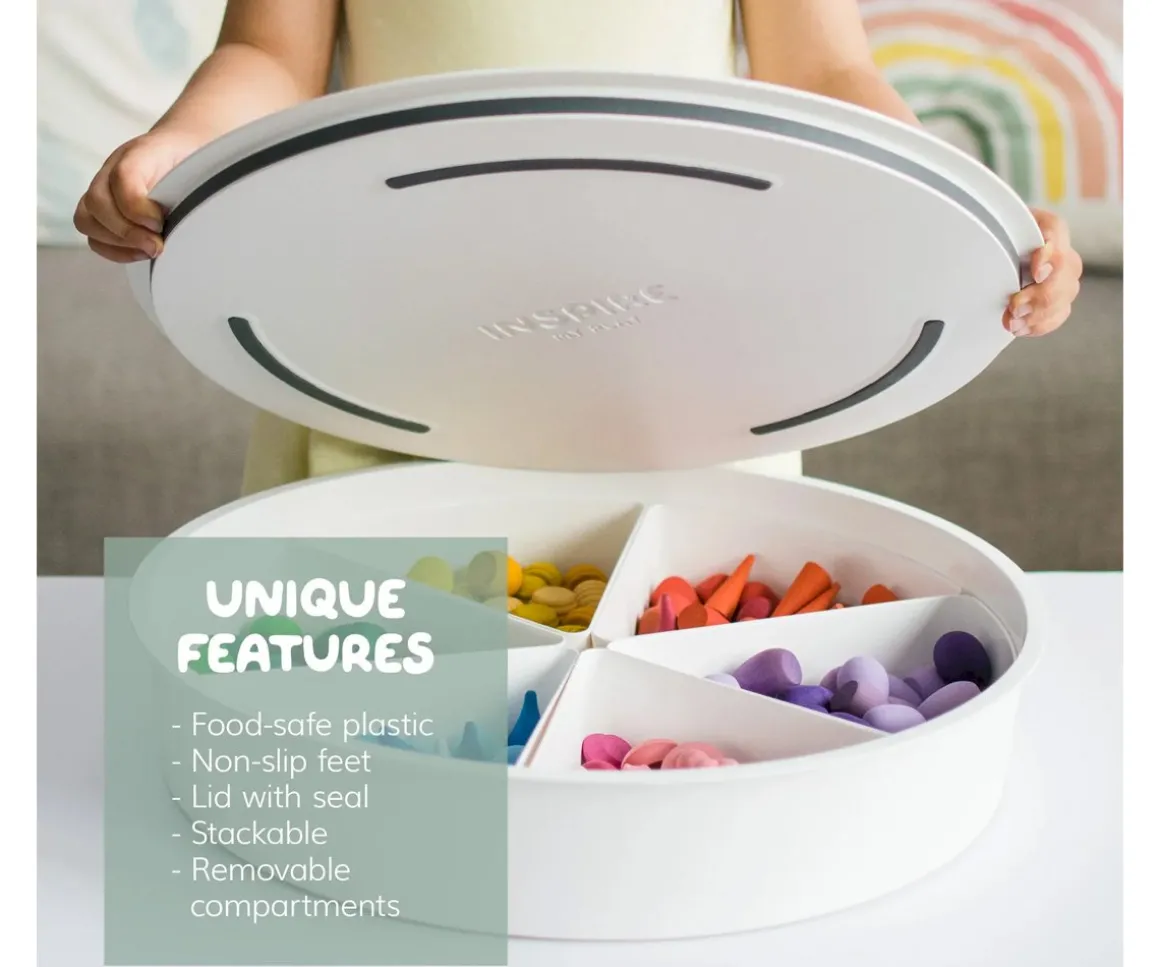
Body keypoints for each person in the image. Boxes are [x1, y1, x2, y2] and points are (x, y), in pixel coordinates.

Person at [73, 0, 1083, 496]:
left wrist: (969, 217)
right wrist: (180, 144)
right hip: (403, 343)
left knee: (675, 714)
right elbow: (267, 52)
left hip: (683, 359)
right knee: (378, 732)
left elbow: (823, 71)